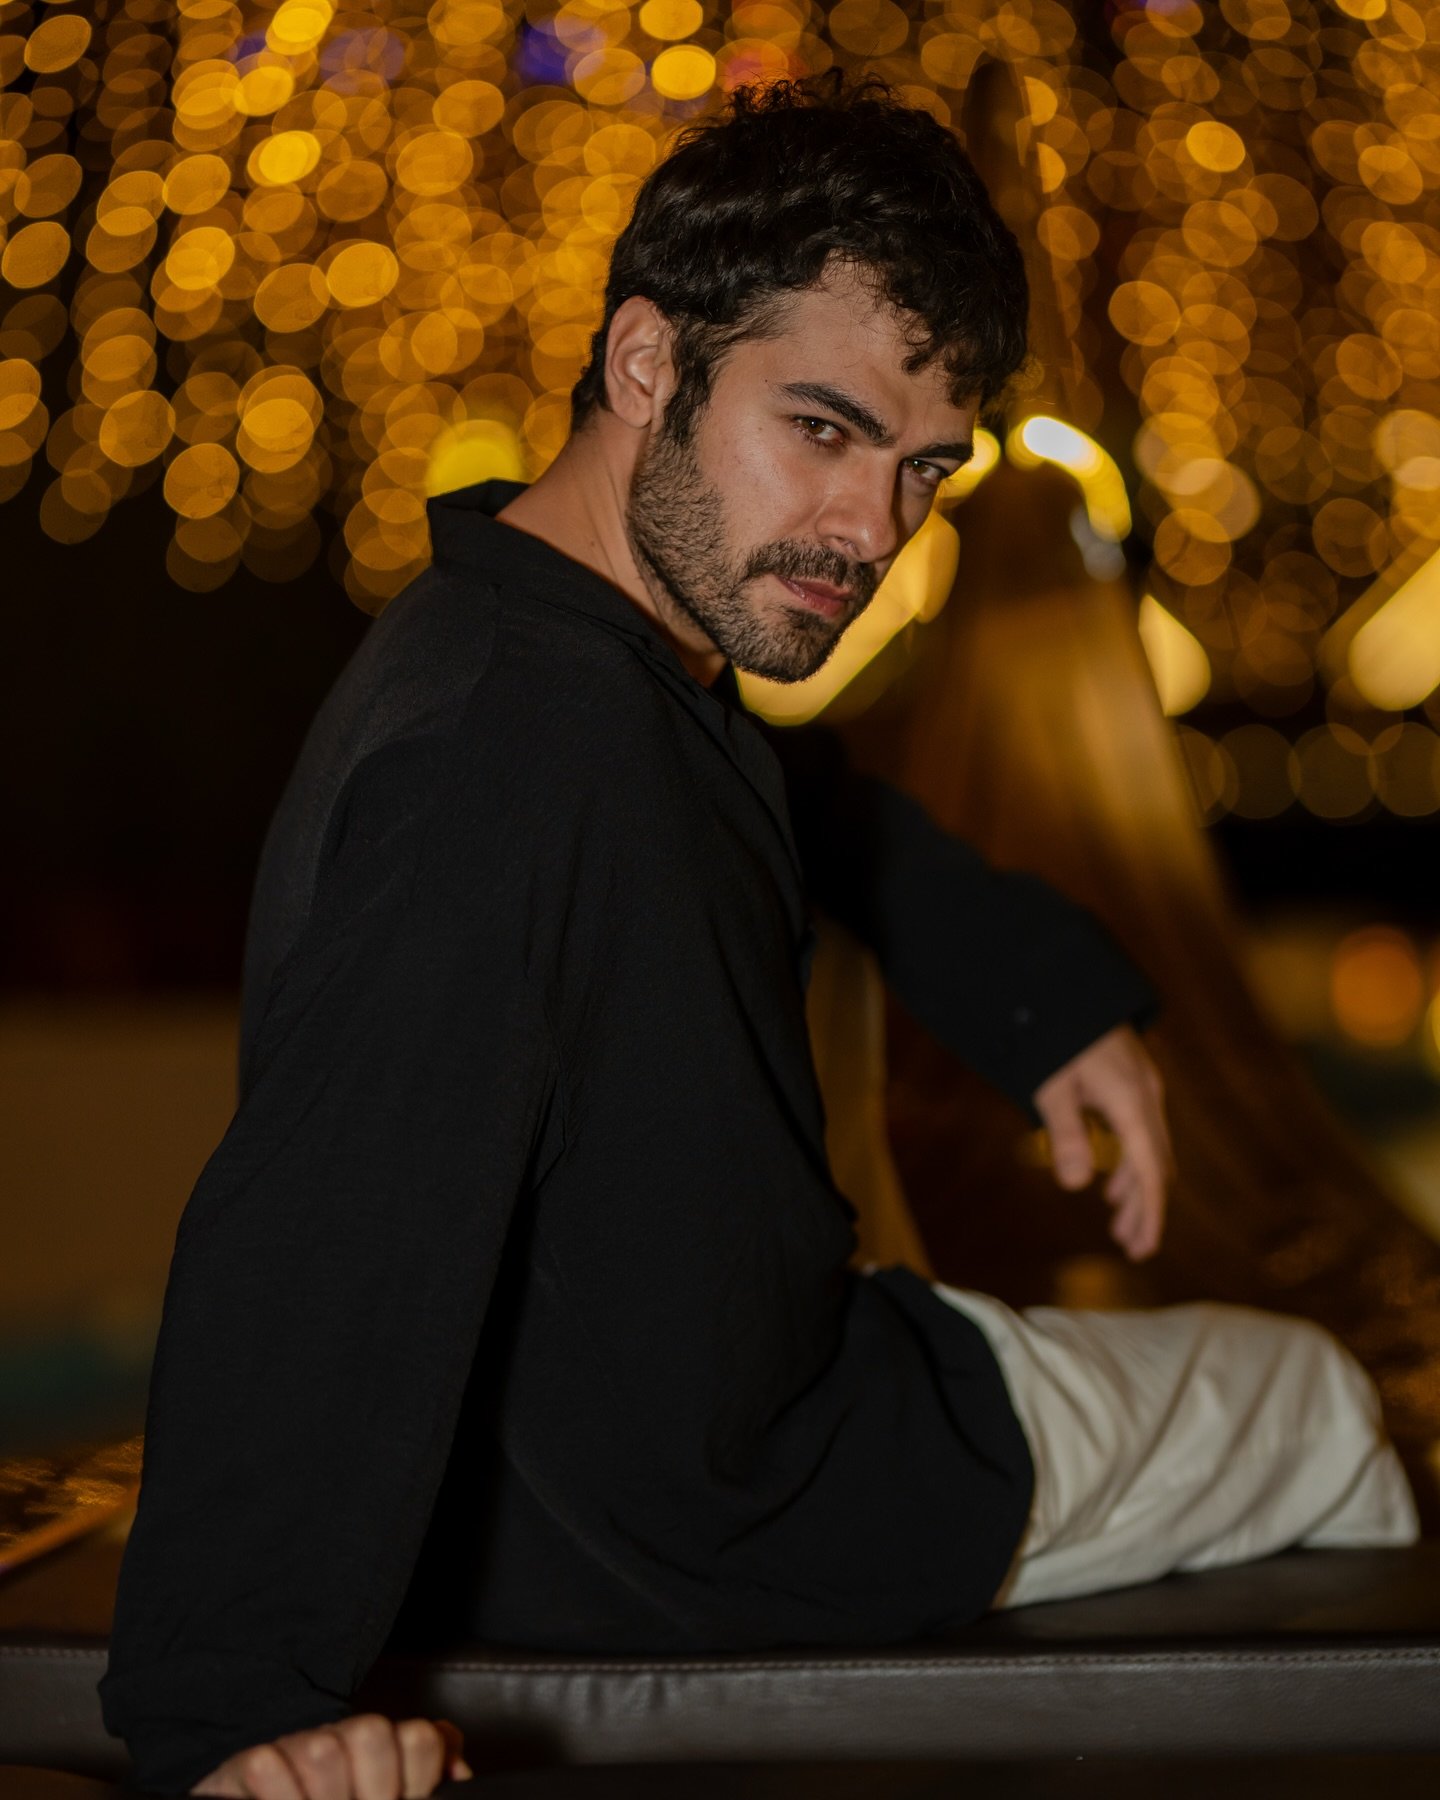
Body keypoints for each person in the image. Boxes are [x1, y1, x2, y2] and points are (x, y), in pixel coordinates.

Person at [99, 72, 1418, 1800]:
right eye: (823, 429)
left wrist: (1039, 998)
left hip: (695, 1430)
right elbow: (312, 1219)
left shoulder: (562, 644)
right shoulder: (508, 768)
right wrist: (229, 1703)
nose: (873, 532)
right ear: (647, 361)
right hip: (747, 1506)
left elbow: (809, 802)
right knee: (1322, 1402)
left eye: (922, 469)